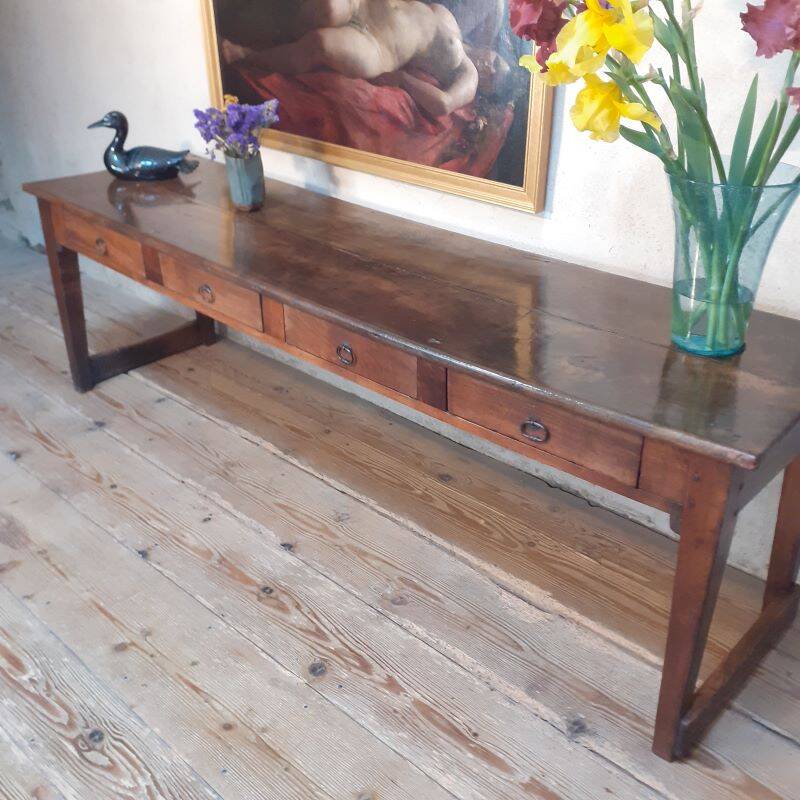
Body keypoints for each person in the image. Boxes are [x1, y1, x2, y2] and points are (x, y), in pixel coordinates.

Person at [221, 0, 479, 117]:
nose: (490, 65)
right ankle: (274, 30)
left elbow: (443, 104)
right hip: (366, 5)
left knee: (320, 43)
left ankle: (247, 54)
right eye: (496, 62)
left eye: (496, 73)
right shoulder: (457, 18)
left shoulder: (469, 73)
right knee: (328, 7)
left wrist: (403, 79)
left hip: (377, 47)